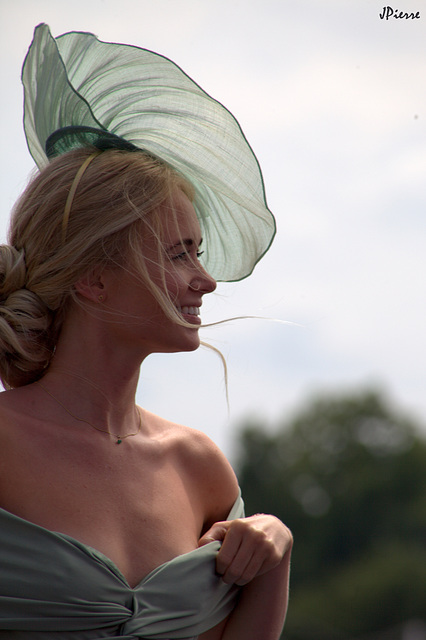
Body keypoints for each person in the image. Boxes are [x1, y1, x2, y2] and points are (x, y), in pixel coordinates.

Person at [0, 24, 293, 640]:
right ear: (93, 279)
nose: (206, 281)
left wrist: (274, 557)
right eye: (179, 253)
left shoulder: (200, 467)